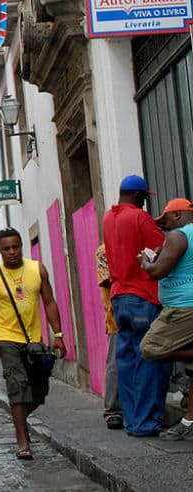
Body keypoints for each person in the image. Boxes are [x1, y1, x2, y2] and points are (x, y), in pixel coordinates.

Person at [0, 228, 66, 461]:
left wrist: (58, 334)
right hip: (7, 339)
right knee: (18, 388)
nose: (12, 252)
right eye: (6, 249)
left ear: (21, 246)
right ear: (0, 250)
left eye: (15, 247)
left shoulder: (37, 269)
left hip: (34, 341)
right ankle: (23, 441)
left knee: (39, 392)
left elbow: (49, 302)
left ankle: (19, 419)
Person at [102, 174, 169, 437]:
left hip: (119, 296)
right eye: (144, 198)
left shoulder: (109, 218)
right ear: (139, 196)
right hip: (142, 295)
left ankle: (132, 421)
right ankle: (147, 422)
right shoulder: (139, 217)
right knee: (151, 357)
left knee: (127, 360)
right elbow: (163, 248)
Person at [139, 198, 193, 440]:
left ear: (179, 216)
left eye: (167, 220)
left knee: (150, 348)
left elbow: (158, 272)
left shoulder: (179, 236)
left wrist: (146, 264)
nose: (165, 226)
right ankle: (189, 421)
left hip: (182, 309)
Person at [95, 243, 123, 430]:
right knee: (115, 361)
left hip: (145, 310)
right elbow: (109, 280)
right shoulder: (104, 250)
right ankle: (113, 410)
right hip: (116, 316)